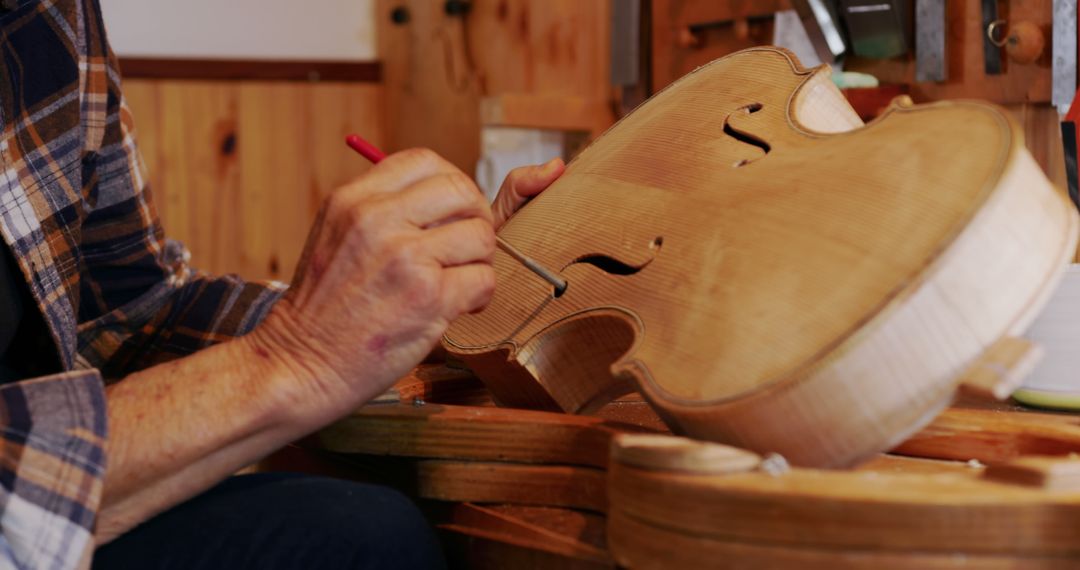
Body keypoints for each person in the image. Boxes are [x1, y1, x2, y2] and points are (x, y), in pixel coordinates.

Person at [0, 0, 565, 567]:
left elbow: (134, 318)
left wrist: (422, 298)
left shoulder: (54, 16)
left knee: (355, 532)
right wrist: (293, 354)